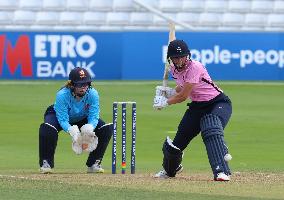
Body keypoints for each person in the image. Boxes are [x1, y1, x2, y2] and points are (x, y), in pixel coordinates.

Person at [153, 39, 233, 181]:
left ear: (187, 55)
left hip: (217, 103)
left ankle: (221, 171)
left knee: (211, 126)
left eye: (182, 56)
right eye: (175, 58)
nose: (179, 60)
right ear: (170, 58)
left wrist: (166, 102)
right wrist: (169, 92)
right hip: (197, 106)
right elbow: (183, 86)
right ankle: (170, 168)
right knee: (177, 143)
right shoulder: (173, 69)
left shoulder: (195, 67)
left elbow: (183, 96)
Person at [39, 67, 113, 174]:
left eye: (86, 84)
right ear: (72, 84)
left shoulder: (93, 94)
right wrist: (71, 131)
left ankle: (94, 164)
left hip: (82, 116)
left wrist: (90, 127)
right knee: (48, 129)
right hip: (58, 115)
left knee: (105, 128)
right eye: (79, 84)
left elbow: (94, 115)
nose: (83, 87)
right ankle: (46, 164)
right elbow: (63, 119)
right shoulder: (62, 95)